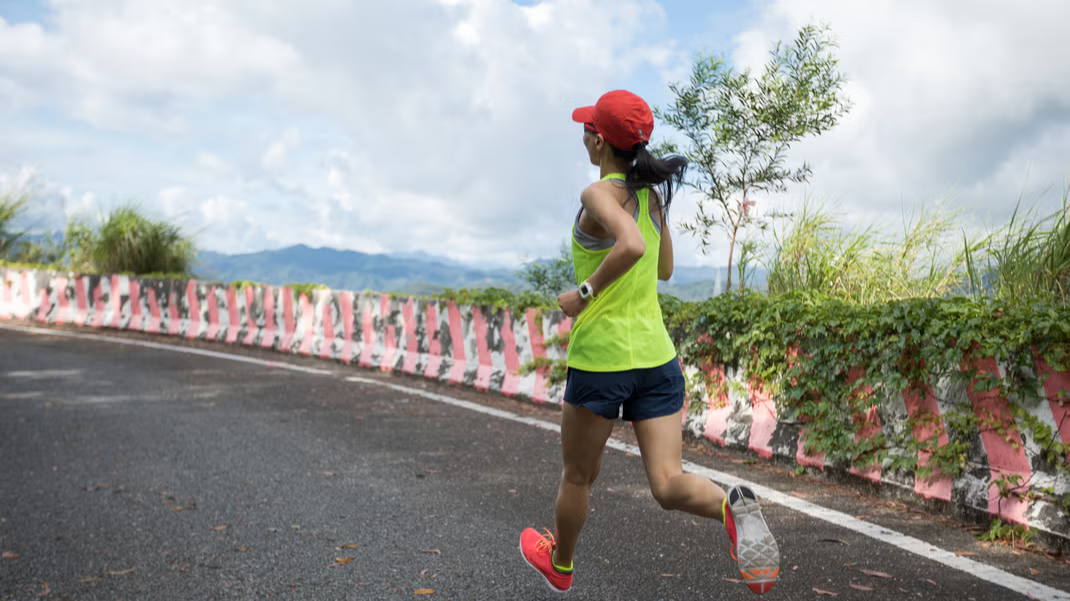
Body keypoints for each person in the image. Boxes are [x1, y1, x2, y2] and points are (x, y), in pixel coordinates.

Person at [518, 90, 780, 595]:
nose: (584, 135)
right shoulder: (651, 198)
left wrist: (582, 293)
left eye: (588, 129)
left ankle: (562, 564)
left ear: (599, 142)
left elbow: (633, 247)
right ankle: (731, 506)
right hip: (657, 358)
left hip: (602, 359)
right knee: (667, 482)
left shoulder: (598, 195)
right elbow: (663, 268)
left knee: (578, 475)